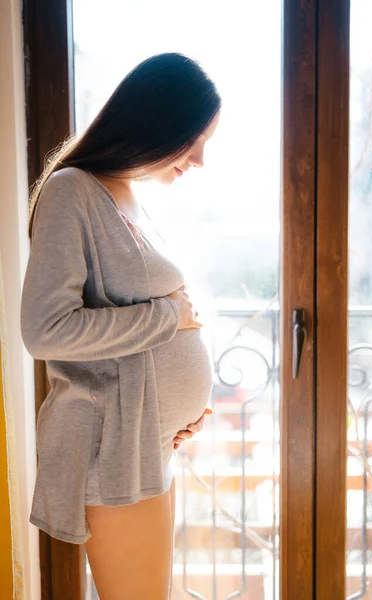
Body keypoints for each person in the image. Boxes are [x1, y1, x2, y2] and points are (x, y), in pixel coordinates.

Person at [20, 52, 221, 599]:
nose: (200, 159)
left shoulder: (126, 192)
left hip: (147, 438)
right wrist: (167, 318)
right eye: (193, 139)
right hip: (115, 449)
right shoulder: (72, 190)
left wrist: (181, 403)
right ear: (155, 121)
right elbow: (46, 330)